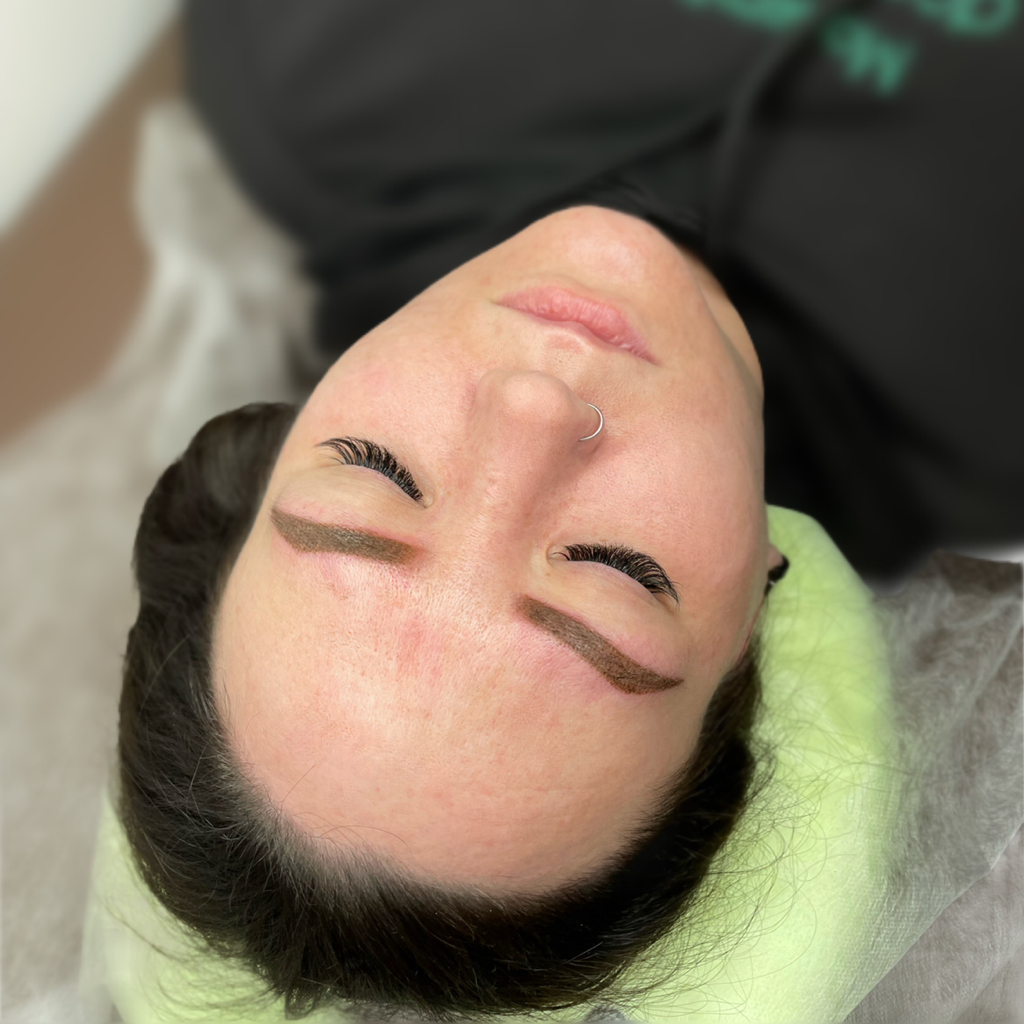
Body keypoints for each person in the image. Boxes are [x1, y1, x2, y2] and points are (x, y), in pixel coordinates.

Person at [117, 0, 1023, 1019]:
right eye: (613, 571)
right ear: (757, 611)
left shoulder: (305, 55)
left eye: (376, 472)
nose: (534, 410)